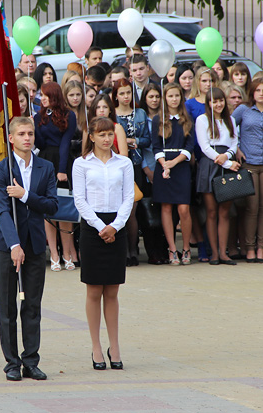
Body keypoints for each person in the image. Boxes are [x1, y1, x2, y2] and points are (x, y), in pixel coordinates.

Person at [0, 116, 58, 381]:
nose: (27, 138)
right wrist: (14, 245)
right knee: (7, 307)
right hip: (8, 246)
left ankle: (31, 360)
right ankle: (11, 362)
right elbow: (2, 211)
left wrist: (26, 195)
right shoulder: (1, 169)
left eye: (30, 133)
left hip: (36, 244)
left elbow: (52, 205)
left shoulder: (46, 167)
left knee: (32, 306)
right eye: (21, 134)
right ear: (11, 138)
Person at [72, 117, 133, 370]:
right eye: (101, 134)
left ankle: (114, 346)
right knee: (94, 290)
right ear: (92, 137)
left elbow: (128, 197)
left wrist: (115, 226)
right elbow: (79, 199)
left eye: (110, 134)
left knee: (113, 291)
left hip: (117, 225)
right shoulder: (81, 163)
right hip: (92, 226)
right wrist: (100, 227)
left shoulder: (124, 163)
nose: (107, 139)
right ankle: (96, 346)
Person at [232, 77, 263, 263]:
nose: (261, 94)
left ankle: (262, 247)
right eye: (258, 90)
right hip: (249, 163)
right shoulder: (243, 110)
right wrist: (236, 148)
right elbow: (229, 128)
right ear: (252, 93)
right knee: (251, 207)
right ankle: (249, 247)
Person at [34, 82, 78, 271]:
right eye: (41, 95)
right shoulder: (39, 116)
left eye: (45, 95)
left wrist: (62, 170)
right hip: (44, 161)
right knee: (48, 209)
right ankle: (54, 254)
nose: (42, 99)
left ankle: (67, 253)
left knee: (64, 207)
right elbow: (40, 144)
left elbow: (66, 142)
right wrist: (34, 125)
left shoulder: (69, 115)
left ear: (54, 96)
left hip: (63, 160)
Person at [195, 88, 241, 264]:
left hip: (226, 163)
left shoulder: (231, 120)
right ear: (208, 103)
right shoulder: (202, 119)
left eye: (221, 100)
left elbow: (234, 143)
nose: (218, 104)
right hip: (210, 164)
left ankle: (223, 253)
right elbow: (204, 147)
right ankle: (213, 253)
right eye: (214, 101)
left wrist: (227, 157)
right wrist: (226, 162)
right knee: (211, 211)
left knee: (224, 212)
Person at [152, 83, 195, 265]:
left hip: (181, 165)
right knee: (166, 208)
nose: (174, 99)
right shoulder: (158, 119)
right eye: (170, 96)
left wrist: (174, 162)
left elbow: (190, 146)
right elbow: (155, 146)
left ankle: (186, 247)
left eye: (177, 95)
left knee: (183, 209)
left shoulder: (187, 119)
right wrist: (165, 164)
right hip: (163, 165)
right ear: (165, 98)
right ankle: (171, 249)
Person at [112, 78, 149, 265]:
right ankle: (122, 250)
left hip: (135, 165)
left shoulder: (140, 113)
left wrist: (134, 141)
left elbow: (147, 139)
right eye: (122, 93)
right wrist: (124, 141)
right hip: (115, 166)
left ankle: (133, 249)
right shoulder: (112, 115)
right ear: (116, 96)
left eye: (128, 92)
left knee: (131, 211)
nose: (126, 96)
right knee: (118, 211)